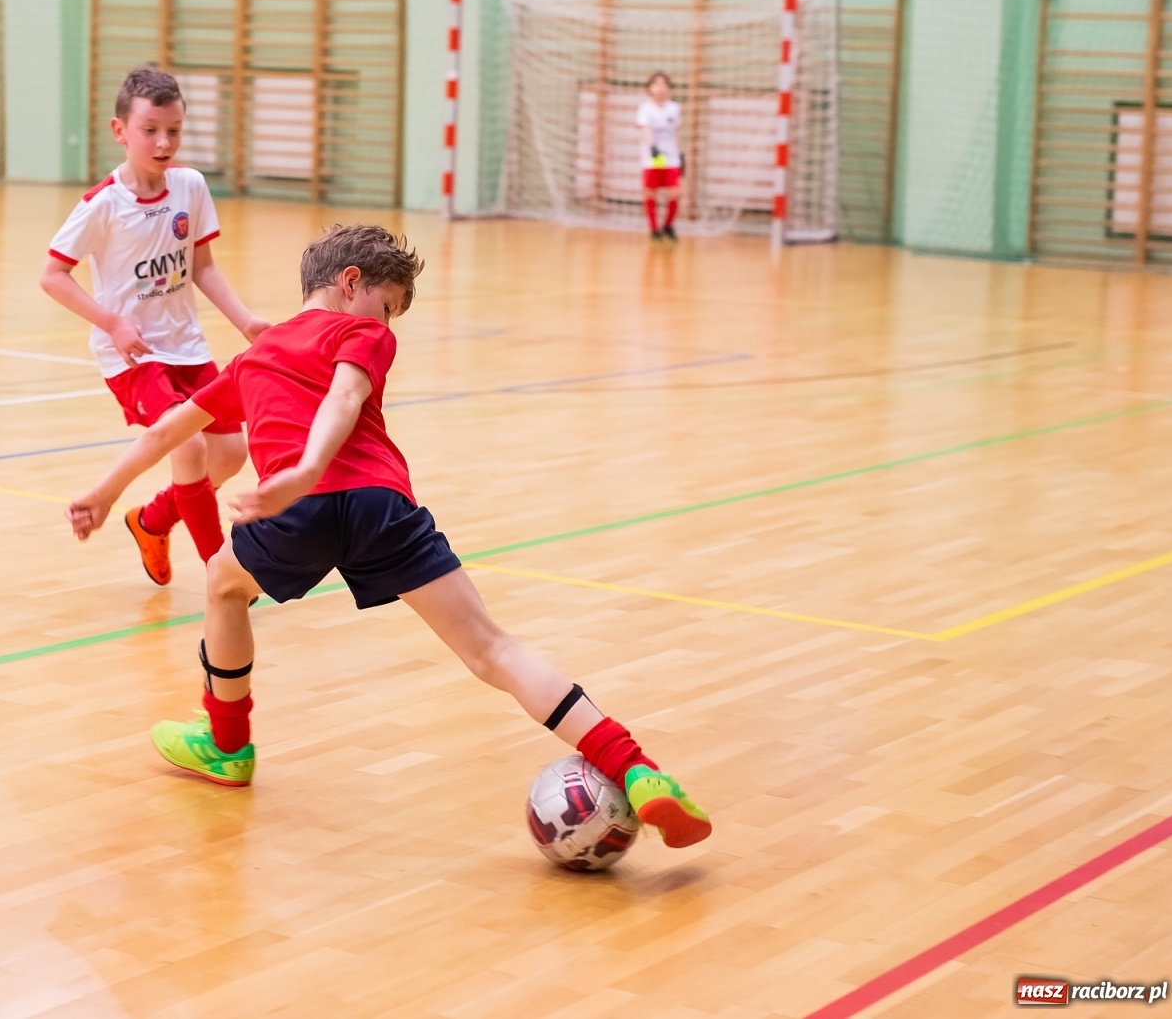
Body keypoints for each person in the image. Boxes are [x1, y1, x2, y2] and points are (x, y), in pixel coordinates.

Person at [64, 224, 713, 853]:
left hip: (301, 509)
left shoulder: (255, 356)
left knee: (223, 585)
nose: (387, 321)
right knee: (493, 650)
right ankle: (636, 768)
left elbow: (168, 431)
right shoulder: (362, 332)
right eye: (389, 305)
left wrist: (104, 491)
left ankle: (229, 745)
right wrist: (312, 467)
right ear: (352, 283)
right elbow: (345, 396)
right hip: (382, 506)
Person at [41, 67, 270, 587]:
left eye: (174, 129)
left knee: (231, 454)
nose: (164, 142)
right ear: (120, 130)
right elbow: (52, 276)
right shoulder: (102, 204)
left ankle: (151, 521)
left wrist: (246, 321)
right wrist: (112, 322)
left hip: (186, 345)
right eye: (150, 130)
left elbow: (202, 266)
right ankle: (220, 572)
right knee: (186, 446)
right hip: (132, 352)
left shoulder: (190, 187)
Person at [636, 71, 682, 242]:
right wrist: (653, 147)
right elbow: (645, 129)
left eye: (663, 84)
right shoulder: (645, 108)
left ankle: (668, 225)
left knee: (675, 192)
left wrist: (680, 154)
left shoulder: (674, 108)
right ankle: (654, 229)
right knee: (651, 193)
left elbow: (676, 132)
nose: (660, 88)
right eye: (656, 84)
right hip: (653, 156)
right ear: (650, 89)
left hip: (671, 157)